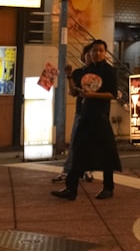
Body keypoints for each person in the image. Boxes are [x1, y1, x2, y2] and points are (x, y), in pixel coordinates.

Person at [52, 39, 122, 201]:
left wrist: (92, 95)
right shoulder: (85, 70)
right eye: (94, 51)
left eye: (100, 50)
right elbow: (74, 92)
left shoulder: (109, 71)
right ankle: (71, 189)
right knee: (78, 151)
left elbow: (112, 94)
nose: (97, 53)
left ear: (105, 52)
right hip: (85, 116)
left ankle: (108, 187)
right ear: (89, 53)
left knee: (106, 152)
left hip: (101, 117)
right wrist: (69, 77)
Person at [52, 42, 95, 184]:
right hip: (81, 112)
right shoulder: (78, 73)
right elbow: (73, 92)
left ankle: (87, 170)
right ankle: (67, 170)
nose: (90, 56)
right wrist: (69, 76)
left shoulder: (99, 73)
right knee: (75, 142)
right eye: (88, 54)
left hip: (95, 113)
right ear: (83, 56)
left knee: (90, 142)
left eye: (92, 53)